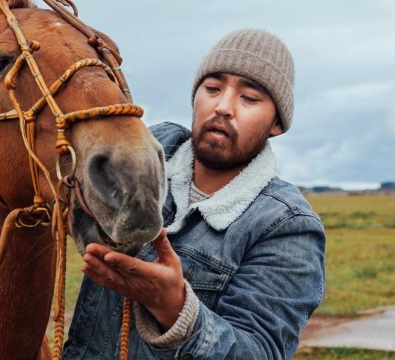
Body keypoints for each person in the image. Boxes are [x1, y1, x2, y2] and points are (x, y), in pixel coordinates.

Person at [62, 28, 326, 359]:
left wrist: (175, 309)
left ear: (277, 124)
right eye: (212, 88)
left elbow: (261, 350)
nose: (224, 107)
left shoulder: (287, 228)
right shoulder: (150, 152)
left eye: (250, 98)